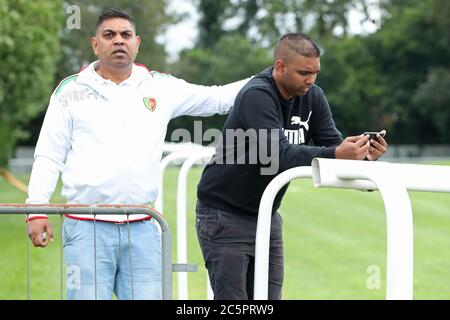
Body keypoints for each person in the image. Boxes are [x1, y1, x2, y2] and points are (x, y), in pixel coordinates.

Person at [26, 8, 249, 300]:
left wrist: (271, 79)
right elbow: (48, 154)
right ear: (95, 44)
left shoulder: (160, 86)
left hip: (143, 227)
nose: (119, 40)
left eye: (125, 35)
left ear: (137, 42)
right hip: (85, 228)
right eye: (109, 35)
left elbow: (218, 98)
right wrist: (37, 208)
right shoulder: (70, 91)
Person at [195, 32, 388, 300]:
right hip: (223, 215)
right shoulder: (256, 94)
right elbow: (278, 155)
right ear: (280, 67)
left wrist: (364, 156)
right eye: (304, 73)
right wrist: (336, 152)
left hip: (267, 213)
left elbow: (332, 148)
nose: (311, 80)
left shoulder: (314, 97)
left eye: (315, 73)